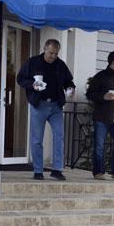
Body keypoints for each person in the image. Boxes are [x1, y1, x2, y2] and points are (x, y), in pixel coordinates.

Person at [17, 39, 75, 181]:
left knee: (59, 136)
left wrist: (70, 88)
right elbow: (20, 79)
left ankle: (57, 169)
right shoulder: (33, 62)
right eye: (50, 53)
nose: (53, 56)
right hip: (39, 104)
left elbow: (69, 81)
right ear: (44, 49)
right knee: (37, 139)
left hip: (56, 105)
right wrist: (32, 85)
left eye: (55, 54)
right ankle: (38, 170)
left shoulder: (60, 65)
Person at [86, 51, 114, 180]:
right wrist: (103, 97)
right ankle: (98, 172)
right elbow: (90, 94)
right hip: (101, 118)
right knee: (99, 146)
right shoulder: (100, 76)